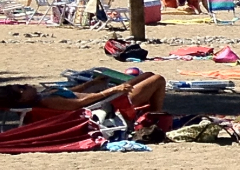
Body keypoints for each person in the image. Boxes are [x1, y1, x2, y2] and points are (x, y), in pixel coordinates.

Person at [0, 70, 169, 117]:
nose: (26, 85)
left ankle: (153, 111)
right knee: (158, 79)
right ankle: (155, 113)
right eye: (22, 88)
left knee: (147, 75)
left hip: (105, 97)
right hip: (109, 104)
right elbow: (81, 104)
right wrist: (113, 90)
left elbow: (70, 92)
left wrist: (92, 83)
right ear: (22, 99)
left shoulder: (44, 94)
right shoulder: (48, 102)